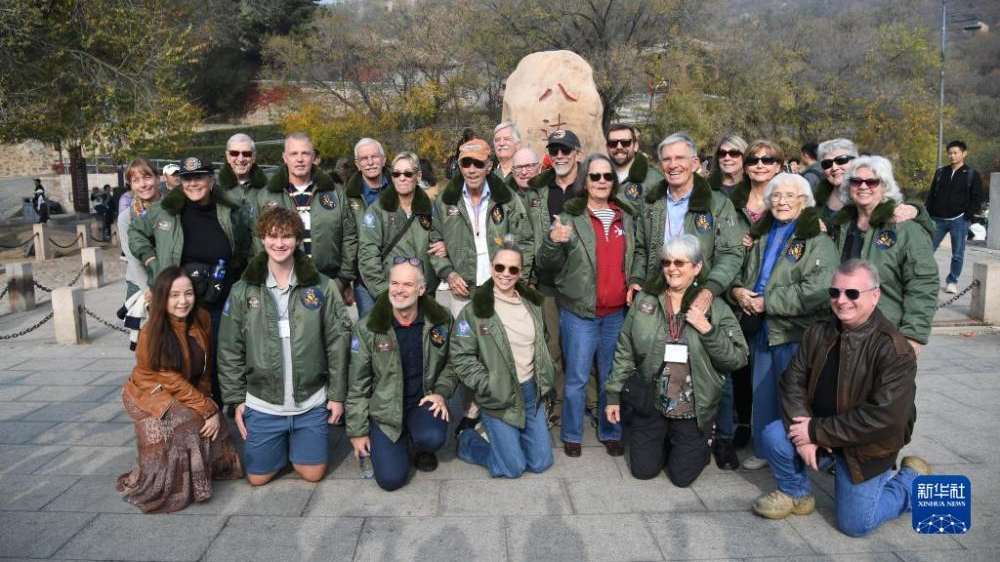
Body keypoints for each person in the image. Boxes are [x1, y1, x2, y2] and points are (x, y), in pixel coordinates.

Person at [751, 259, 931, 537]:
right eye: (835, 292)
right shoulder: (819, 331)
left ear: (875, 296)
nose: (841, 300)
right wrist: (807, 434)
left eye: (852, 293)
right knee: (774, 436)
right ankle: (797, 493)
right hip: (822, 431)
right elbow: (791, 381)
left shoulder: (895, 349)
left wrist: (814, 432)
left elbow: (884, 418)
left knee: (856, 524)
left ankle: (911, 480)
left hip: (866, 447)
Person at [218, 207, 351, 485]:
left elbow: (337, 342)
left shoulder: (322, 286)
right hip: (264, 402)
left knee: (312, 475)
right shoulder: (244, 290)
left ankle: (299, 440)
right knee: (258, 478)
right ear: (262, 239)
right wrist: (236, 400)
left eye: (287, 236)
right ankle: (278, 441)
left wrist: (337, 396)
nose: (280, 243)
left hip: (310, 401)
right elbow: (230, 348)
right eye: (272, 236)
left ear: (298, 239)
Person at [606, 235, 748, 486]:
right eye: (667, 262)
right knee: (643, 471)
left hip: (692, 405)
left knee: (681, 478)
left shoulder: (716, 308)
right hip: (652, 401)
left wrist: (708, 330)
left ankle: (702, 439)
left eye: (680, 263)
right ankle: (663, 440)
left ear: (697, 268)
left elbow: (738, 358)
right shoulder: (645, 300)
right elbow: (625, 347)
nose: (672, 268)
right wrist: (614, 395)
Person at [728, 173, 838, 470]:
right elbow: (743, 270)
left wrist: (768, 301)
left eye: (790, 196)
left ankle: (799, 451)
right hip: (761, 327)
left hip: (794, 330)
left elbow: (818, 289)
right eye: (776, 196)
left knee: (793, 395)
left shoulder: (816, 239)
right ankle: (766, 450)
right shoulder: (762, 233)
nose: (781, 201)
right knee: (763, 393)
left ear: (804, 202)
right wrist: (738, 290)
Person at [117, 267, 242, 513]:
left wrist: (208, 399)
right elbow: (171, 380)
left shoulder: (202, 318)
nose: (183, 301)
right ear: (163, 297)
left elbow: (206, 368)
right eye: (174, 295)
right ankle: (174, 484)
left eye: (187, 293)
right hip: (150, 393)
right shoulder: (152, 331)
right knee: (191, 424)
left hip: (186, 389)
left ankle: (208, 470)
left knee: (215, 426)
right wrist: (207, 409)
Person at [431, 138, 534, 433]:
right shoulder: (445, 201)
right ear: (459, 165)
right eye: (466, 163)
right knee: (466, 353)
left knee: (501, 351)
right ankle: (470, 411)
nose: (472, 169)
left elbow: (523, 240)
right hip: (461, 289)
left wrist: (512, 280)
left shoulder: (507, 200)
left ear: (489, 166)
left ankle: (499, 410)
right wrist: (448, 272)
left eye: (478, 163)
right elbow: (434, 240)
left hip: (498, 288)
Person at [130, 156, 252, 403]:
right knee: (184, 357)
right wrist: (152, 263)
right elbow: (136, 233)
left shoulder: (230, 211)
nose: (193, 184)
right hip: (183, 302)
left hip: (221, 298)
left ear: (210, 179)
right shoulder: (166, 212)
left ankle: (221, 408)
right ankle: (189, 411)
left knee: (221, 357)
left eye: (199, 177)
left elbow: (245, 247)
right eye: (187, 179)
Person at [538, 153, 636, 457]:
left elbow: (638, 254)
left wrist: (636, 280)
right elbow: (546, 263)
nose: (602, 182)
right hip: (580, 313)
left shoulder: (626, 216)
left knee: (611, 377)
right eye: (595, 176)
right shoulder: (570, 217)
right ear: (586, 181)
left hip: (616, 313)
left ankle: (610, 431)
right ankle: (571, 433)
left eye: (608, 176)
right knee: (577, 377)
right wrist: (554, 241)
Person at [347, 258, 456, 490]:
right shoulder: (368, 328)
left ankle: (419, 443)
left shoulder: (441, 320)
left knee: (432, 437)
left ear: (421, 289)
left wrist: (441, 392)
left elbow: (453, 363)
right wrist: (357, 431)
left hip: (422, 402)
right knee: (390, 480)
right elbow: (357, 384)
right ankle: (398, 440)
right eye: (394, 283)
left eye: (407, 284)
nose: (399, 290)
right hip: (386, 412)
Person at [452, 240, 556, 478]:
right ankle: (468, 441)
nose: (506, 274)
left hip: (531, 393)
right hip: (498, 396)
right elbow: (461, 356)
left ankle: (510, 440)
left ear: (520, 272)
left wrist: (545, 378)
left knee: (540, 462)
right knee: (512, 467)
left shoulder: (532, 303)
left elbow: (542, 343)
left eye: (513, 269)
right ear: (491, 267)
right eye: (500, 268)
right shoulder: (476, 309)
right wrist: (487, 384)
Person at [713, 139, 785, 467]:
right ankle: (740, 425)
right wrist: (736, 290)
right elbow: (723, 250)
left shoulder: (787, 199)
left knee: (770, 373)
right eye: (754, 159)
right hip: (738, 293)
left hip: (777, 299)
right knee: (738, 366)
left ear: (779, 164)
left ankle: (770, 439)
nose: (759, 164)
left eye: (767, 159)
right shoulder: (733, 201)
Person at [830, 156, 938, 355]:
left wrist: (913, 336)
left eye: (871, 181)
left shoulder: (905, 229)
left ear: (884, 186)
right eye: (856, 181)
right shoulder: (839, 227)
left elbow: (923, 283)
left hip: (885, 335)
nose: (863, 186)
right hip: (840, 332)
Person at [630, 132, 743, 319]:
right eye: (666, 159)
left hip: (699, 298)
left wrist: (710, 289)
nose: (673, 165)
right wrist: (636, 279)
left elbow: (731, 253)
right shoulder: (650, 202)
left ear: (695, 163)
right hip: (657, 297)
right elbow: (642, 248)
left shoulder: (719, 204)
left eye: (680, 158)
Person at [256, 133, 357, 309]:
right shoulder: (266, 196)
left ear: (313, 157)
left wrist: (343, 279)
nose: (300, 159)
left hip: (329, 281)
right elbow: (258, 241)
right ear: (285, 157)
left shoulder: (335, 193)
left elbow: (349, 236)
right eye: (294, 154)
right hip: (285, 284)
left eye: (305, 153)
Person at [357, 151, 439, 298]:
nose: (402, 178)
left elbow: (440, 247)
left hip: (424, 295)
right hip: (392, 295)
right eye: (396, 174)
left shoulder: (432, 209)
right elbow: (367, 256)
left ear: (418, 176)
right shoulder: (378, 210)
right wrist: (383, 293)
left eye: (408, 174)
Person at [925, 140, 983, 294]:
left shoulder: (971, 174)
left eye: (955, 152)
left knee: (957, 253)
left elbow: (977, 198)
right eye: (949, 153)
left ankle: (952, 281)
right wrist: (928, 214)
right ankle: (923, 279)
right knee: (926, 250)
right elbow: (931, 195)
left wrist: (967, 215)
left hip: (959, 220)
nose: (952, 156)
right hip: (937, 219)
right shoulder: (940, 172)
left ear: (964, 153)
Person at [344, 138, 391, 317]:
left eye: (374, 157)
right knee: (371, 333)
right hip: (363, 279)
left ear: (384, 159)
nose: (370, 162)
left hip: (399, 273)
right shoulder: (347, 198)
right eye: (364, 159)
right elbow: (345, 239)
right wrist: (346, 278)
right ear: (357, 164)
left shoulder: (400, 188)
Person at [118, 158, 163, 299]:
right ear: (131, 185)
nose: (142, 185)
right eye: (135, 180)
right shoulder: (127, 217)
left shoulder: (174, 208)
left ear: (157, 178)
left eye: (147, 177)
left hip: (173, 282)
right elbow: (133, 259)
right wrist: (147, 290)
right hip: (140, 285)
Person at [607, 124, 663, 207]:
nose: (619, 147)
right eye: (613, 143)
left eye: (625, 142)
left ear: (635, 146)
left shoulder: (654, 180)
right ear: (607, 147)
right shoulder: (596, 178)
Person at [219, 133, 268, 208]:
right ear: (227, 156)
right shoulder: (214, 186)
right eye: (234, 153)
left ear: (254, 157)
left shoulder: (268, 187)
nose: (241, 159)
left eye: (246, 153)